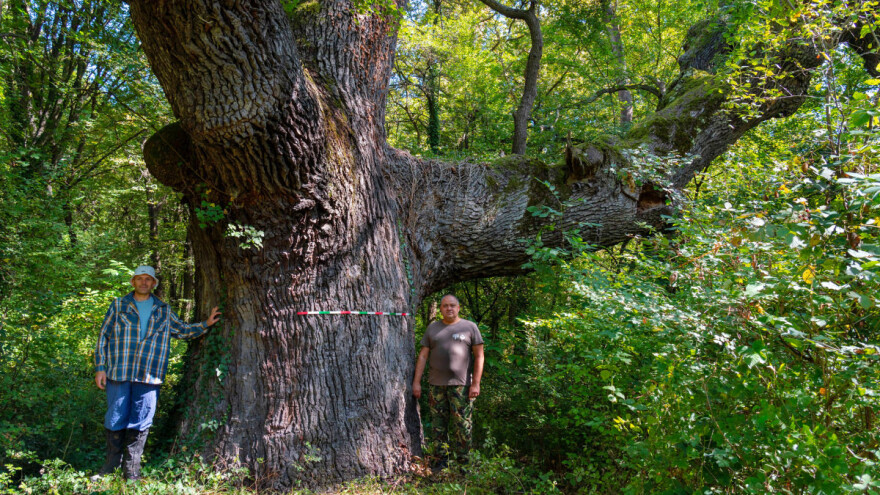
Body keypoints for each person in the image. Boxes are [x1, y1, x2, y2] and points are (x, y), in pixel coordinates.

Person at [92, 265, 220, 481]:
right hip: (118, 372)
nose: (144, 282)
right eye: (139, 279)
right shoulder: (118, 305)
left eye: (148, 279)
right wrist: (100, 367)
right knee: (115, 418)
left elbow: (182, 330)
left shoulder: (163, 310)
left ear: (153, 284)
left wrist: (205, 324)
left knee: (141, 421)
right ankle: (110, 467)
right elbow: (103, 337)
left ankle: (132, 472)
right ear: (133, 282)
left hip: (149, 374)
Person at [412, 294, 484, 468]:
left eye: (452, 305)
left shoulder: (470, 327)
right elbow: (423, 356)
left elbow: (479, 356)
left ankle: (463, 465)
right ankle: (440, 463)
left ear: (458, 308)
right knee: (438, 426)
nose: (449, 308)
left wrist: (476, 383)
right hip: (436, 385)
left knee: (462, 426)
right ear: (440, 309)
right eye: (445, 306)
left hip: (462, 386)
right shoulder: (433, 328)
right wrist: (416, 382)